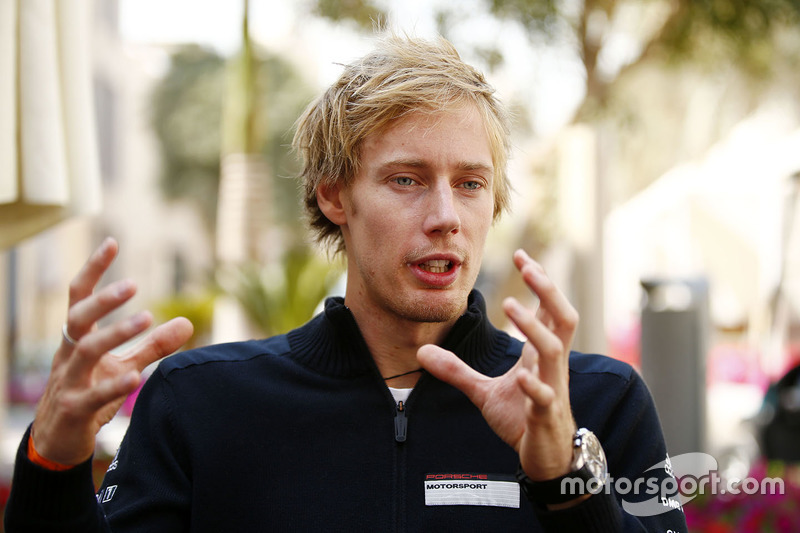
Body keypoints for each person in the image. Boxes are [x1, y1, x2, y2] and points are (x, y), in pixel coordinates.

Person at [5, 35, 688, 531]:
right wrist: (53, 457)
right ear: (335, 196)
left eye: (471, 184)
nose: (446, 217)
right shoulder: (199, 402)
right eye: (407, 179)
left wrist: (563, 477)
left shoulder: (597, 402)